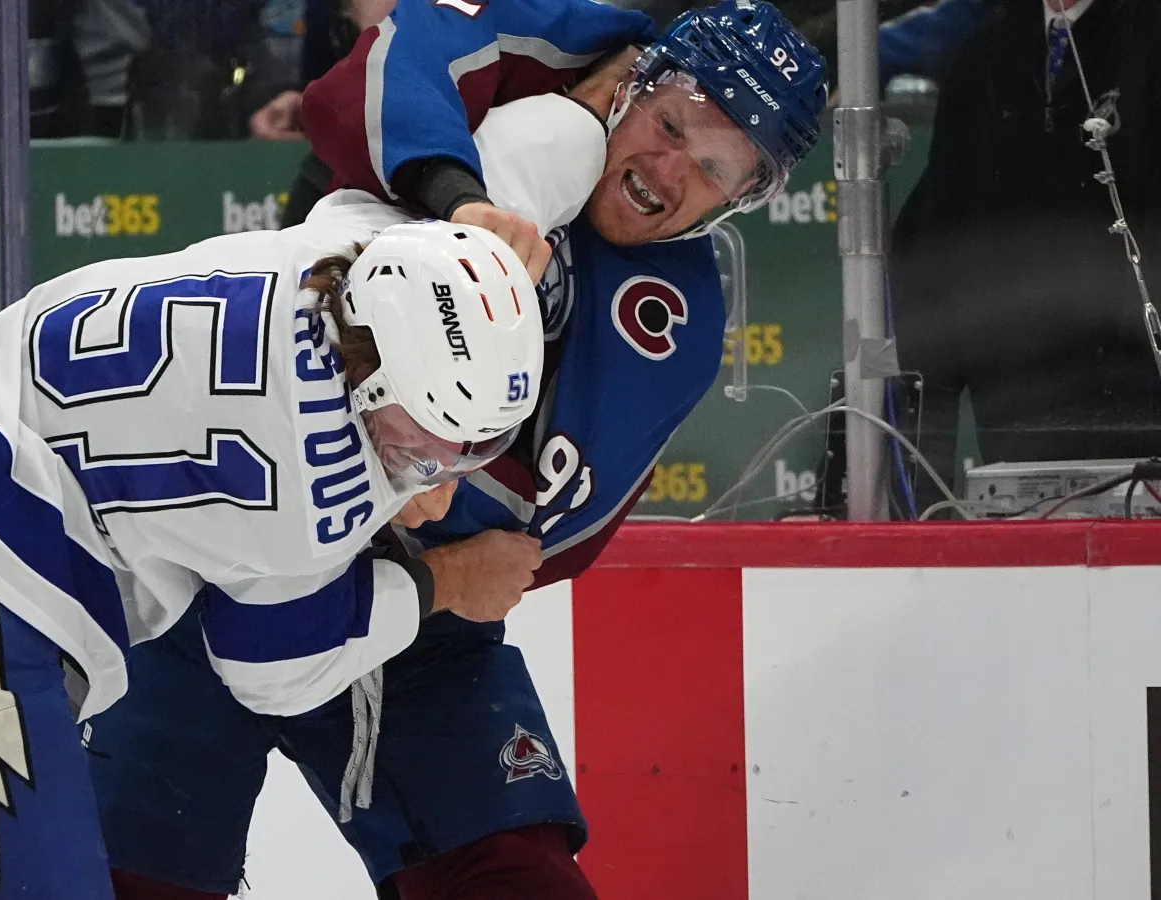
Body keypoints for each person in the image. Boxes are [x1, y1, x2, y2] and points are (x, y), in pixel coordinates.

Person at [87, 2, 828, 899]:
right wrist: (462, 204)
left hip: (419, 622)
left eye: (712, 169)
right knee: (126, 877)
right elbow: (371, 79)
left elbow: (534, 541)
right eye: (669, 127)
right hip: (225, 543)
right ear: (629, 82)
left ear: (740, 200)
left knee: (515, 881)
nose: (668, 172)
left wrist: (416, 514)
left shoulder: (675, 325)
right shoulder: (547, 67)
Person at [0, 136, 566, 896]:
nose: (443, 479)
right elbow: (272, 668)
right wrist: (444, 579)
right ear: (377, 385)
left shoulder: (342, 244)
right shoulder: (314, 483)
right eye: (432, 445)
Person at [889, 0, 1161, 516]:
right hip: (1017, 425)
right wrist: (923, 483)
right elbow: (937, 246)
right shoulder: (985, 54)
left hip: (1139, 418)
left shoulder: (1146, 34)